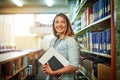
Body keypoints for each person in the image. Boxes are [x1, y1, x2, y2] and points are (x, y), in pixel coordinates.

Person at [42, 13, 80, 80]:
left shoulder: (71, 41)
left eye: (63, 22)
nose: (59, 25)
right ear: (54, 25)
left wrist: (53, 73)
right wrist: (46, 67)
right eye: (57, 22)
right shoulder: (52, 41)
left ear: (67, 24)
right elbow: (49, 59)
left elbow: (74, 66)